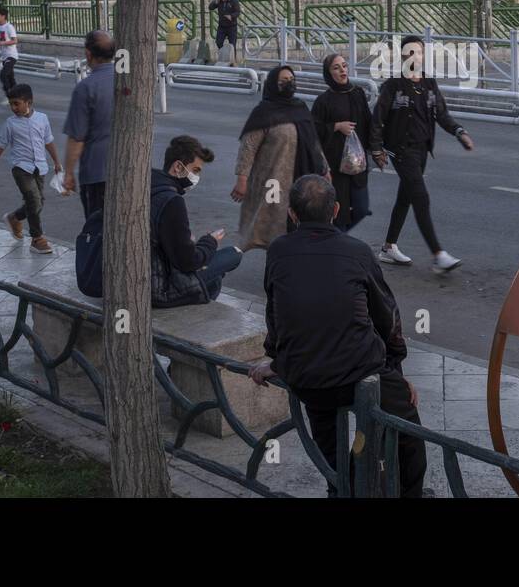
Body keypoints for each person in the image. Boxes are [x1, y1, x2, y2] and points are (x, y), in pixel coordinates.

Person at [249, 175, 426, 497]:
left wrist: (277, 360)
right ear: (336, 210)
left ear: (292, 213)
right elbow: (387, 317)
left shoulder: (278, 250)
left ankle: (341, 487)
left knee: (329, 445)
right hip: (360, 372)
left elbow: (276, 313)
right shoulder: (357, 251)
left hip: (306, 378)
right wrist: (396, 372)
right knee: (409, 435)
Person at [370, 35, 474, 273]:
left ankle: (388, 247)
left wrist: (460, 132)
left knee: (405, 198)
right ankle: (438, 254)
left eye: (418, 52)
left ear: (423, 55)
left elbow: (442, 115)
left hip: (422, 151)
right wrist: (376, 149)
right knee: (420, 197)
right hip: (400, 151)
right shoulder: (393, 86)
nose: (413, 57)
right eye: (409, 53)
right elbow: (377, 119)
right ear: (402, 57)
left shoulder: (428, 84)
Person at [231, 66, 329, 250]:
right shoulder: (263, 113)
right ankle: (276, 268)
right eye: (283, 80)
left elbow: (313, 142)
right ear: (273, 84)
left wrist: (325, 169)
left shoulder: (300, 107)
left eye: (291, 79)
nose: (289, 83)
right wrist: (242, 180)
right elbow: (248, 147)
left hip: (303, 178)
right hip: (274, 181)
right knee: (273, 228)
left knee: (301, 224)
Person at [151, 136, 243, 307]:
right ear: (178, 167)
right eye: (196, 170)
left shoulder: (150, 183)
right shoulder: (172, 201)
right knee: (233, 255)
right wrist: (210, 242)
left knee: (214, 276)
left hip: (151, 269)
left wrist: (186, 241)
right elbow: (188, 262)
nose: (196, 177)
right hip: (159, 284)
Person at [0, 84, 62, 255]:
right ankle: (37, 238)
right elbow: (0, 145)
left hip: (40, 167)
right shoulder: (10, 124)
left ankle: (14, 218)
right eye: (11, 104)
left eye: (17, 103)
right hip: (21, 168)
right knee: (34, 200)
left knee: (38, 202)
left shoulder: (42, 118)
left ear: (29, 102)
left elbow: (48, 141)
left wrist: (57, 162)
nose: (13, 108)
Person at [312, 53, 373, 231]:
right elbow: (313, 132)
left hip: (357, 165)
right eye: (336, 68)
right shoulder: (323, 101)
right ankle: (337, 245)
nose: (342, 70)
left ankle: (335, 241)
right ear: (328, 73)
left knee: (361, 209)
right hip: (335, 166)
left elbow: (368, 122)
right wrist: (336, 126)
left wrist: (377, 149)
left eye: (344, 66)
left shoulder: (358, 93)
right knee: (339, 214)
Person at [63, 30, 116, 217]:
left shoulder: (85, 88)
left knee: (96, 232)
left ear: (88, 53)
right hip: (127, 171)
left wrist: (68, 173)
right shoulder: (127, 83)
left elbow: (77, 138)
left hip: (96, 173)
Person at [209, 0, 241, 66]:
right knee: (218, 42)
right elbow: (211, 8)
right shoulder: (219, 1)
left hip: (232, 26)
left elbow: (238, 12)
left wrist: (231, 16)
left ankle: (233, 61)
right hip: (222, 26)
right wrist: (215, 2)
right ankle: (224, 57)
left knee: (232, 44)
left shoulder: (234, 1)